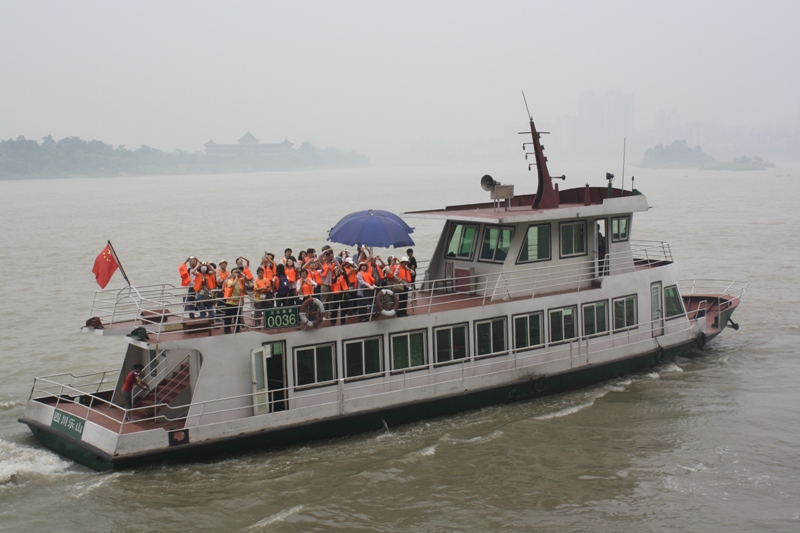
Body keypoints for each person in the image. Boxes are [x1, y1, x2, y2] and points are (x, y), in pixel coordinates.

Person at [223, 268, 246, 333]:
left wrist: (241, 273)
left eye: (236, 272)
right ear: (231, 274)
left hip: (237, 302)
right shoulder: (229, 280)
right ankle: (227, 330)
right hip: (230, 302)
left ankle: (237, 329)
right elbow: (233, 285)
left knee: (237, 317)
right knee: (228, 318)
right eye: (234, 272)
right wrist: (236, 277)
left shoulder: (240, 280)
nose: (236, 273)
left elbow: (247, 279)